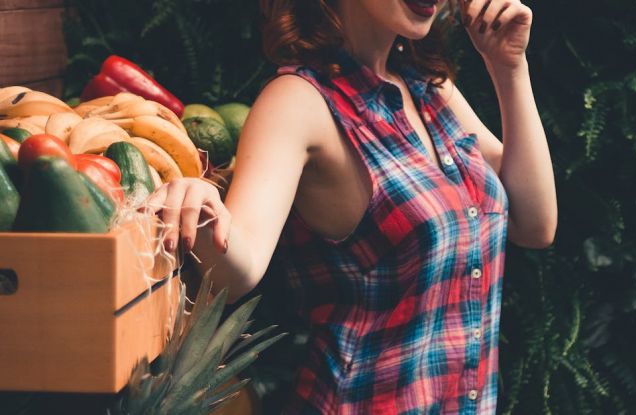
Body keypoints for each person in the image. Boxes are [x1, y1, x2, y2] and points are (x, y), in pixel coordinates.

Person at [144, 0, 557, 412]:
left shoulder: (430, 89)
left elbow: (534, 224)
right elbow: (242, 266)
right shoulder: (298, 101)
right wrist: (201, 207)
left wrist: (509, 68)